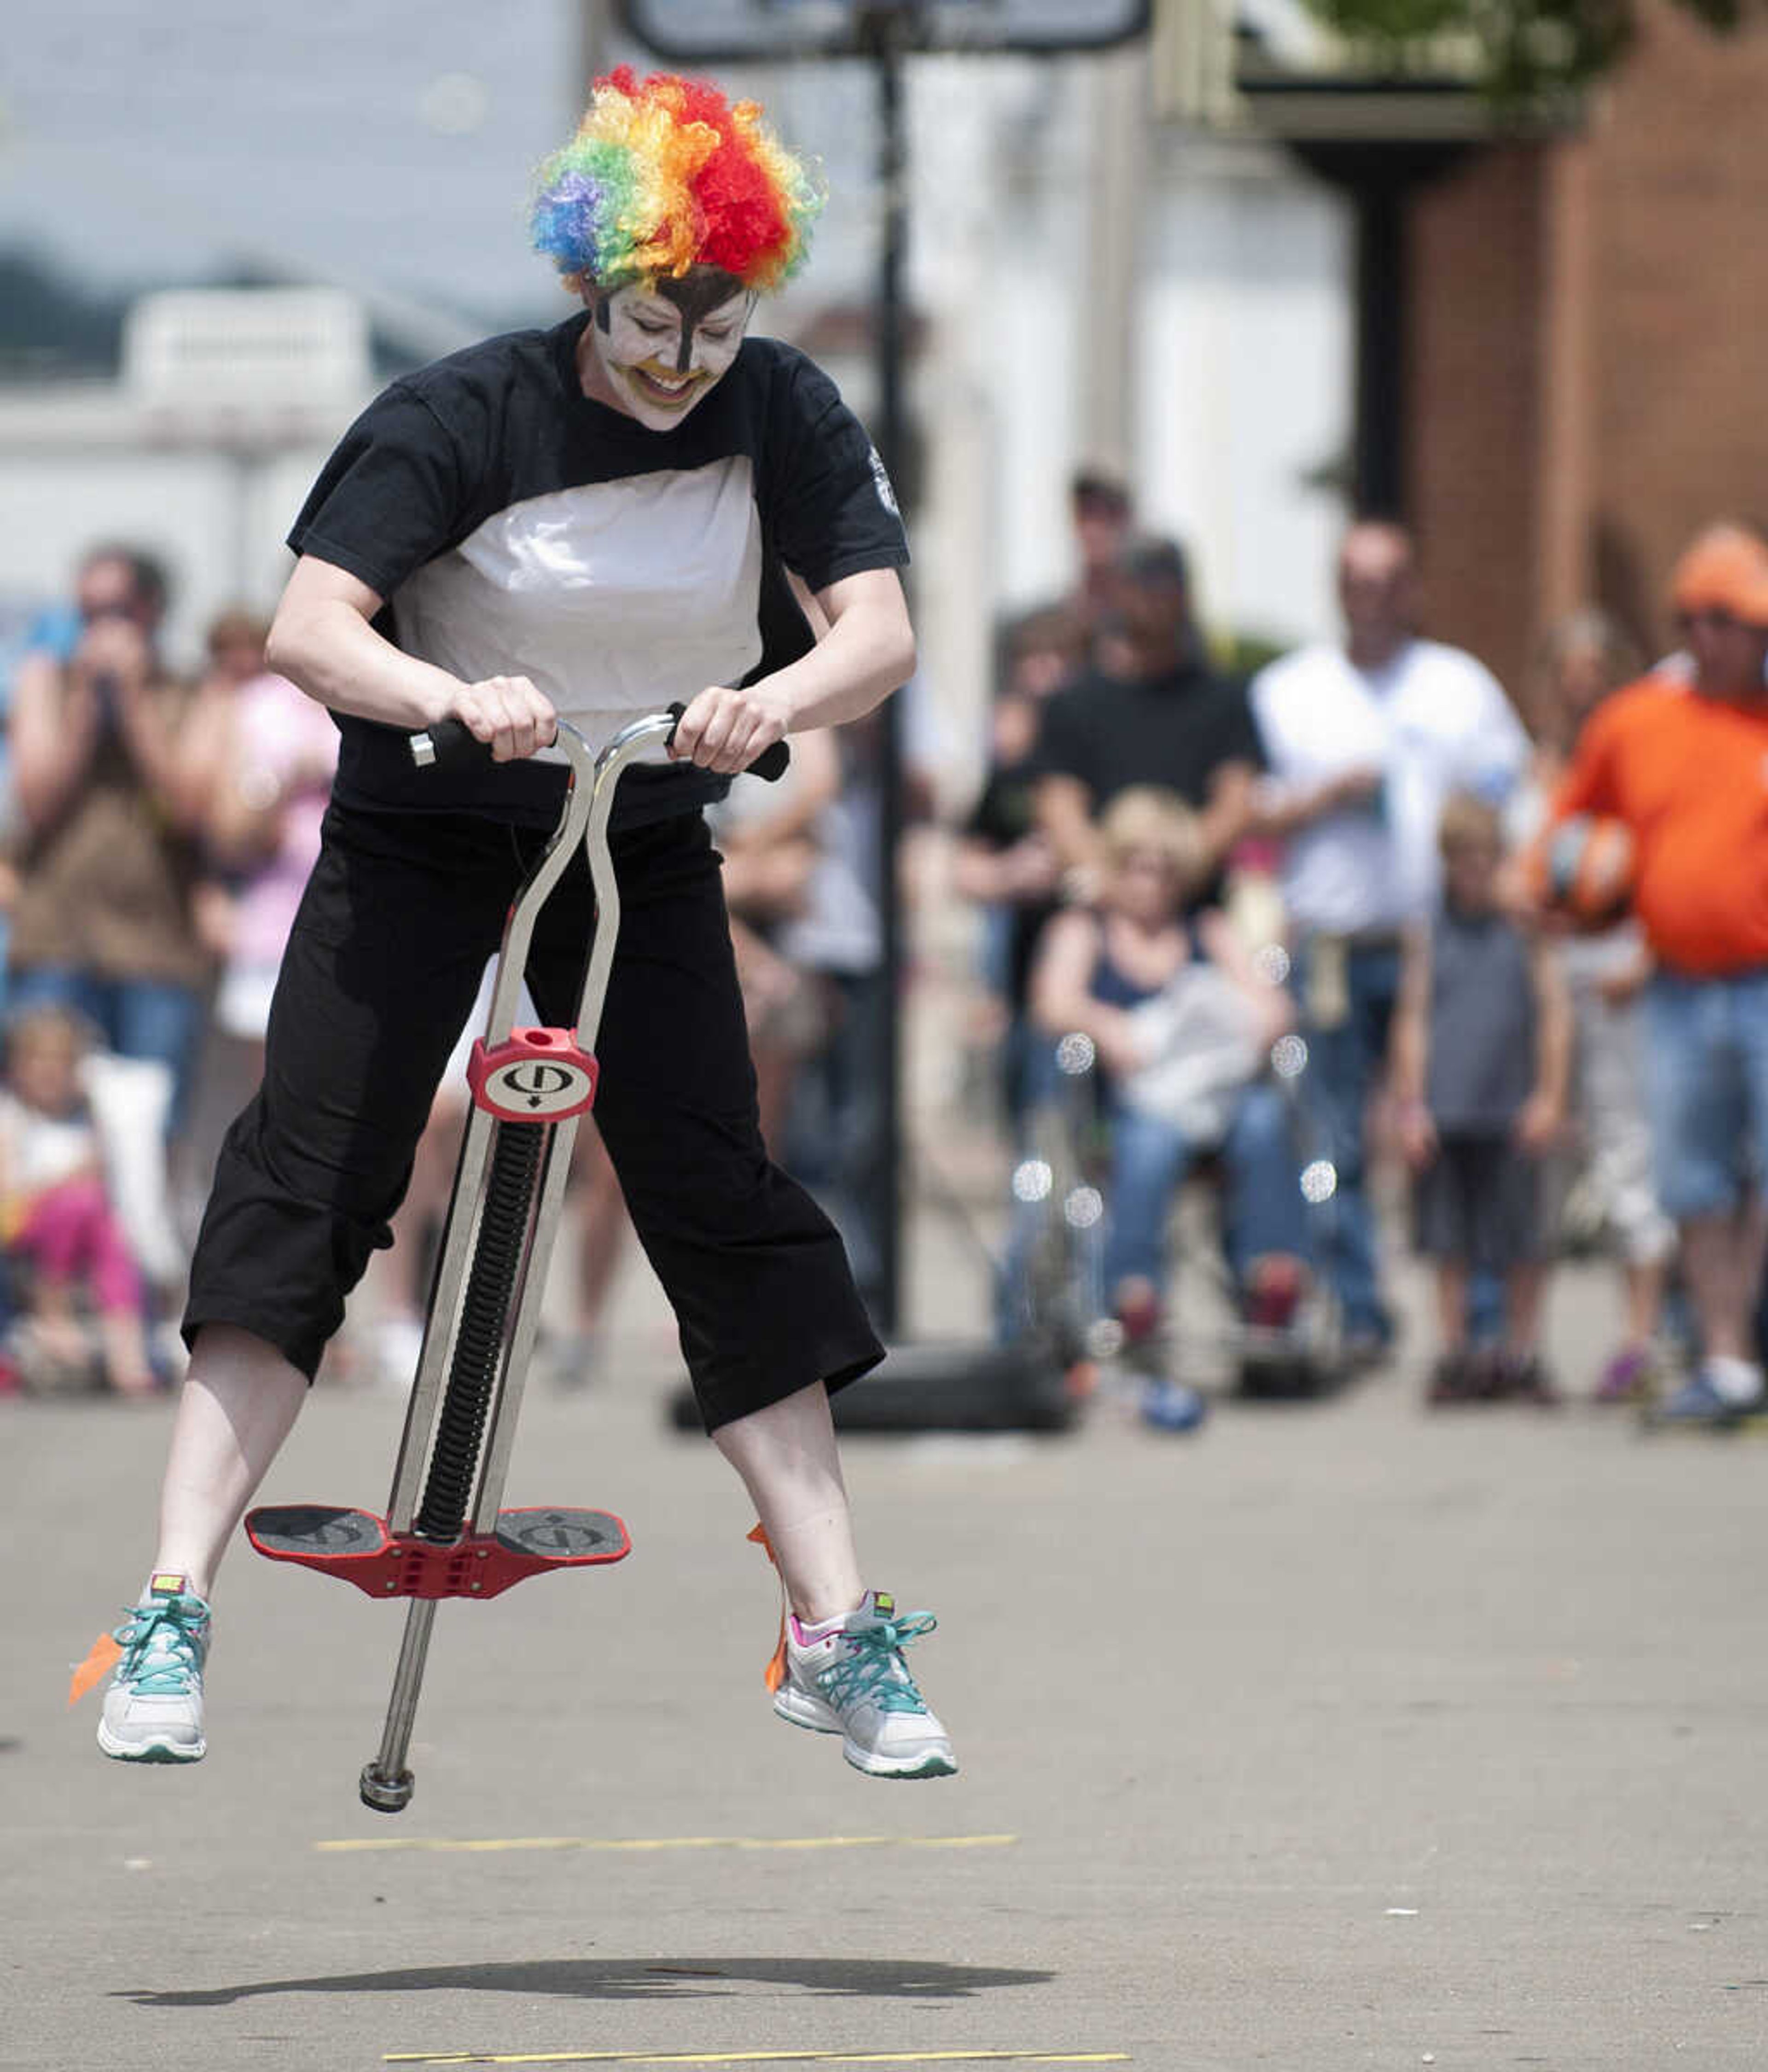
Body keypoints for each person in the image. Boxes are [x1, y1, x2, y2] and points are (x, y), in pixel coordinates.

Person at [83, 69, 955, 1781]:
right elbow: (309, 626)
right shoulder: (460, 416)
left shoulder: (783, 413)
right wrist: (445, 690)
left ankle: (836, 1627)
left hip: (632, 836)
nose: (683, 360)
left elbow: (881, 633)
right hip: (424, 827)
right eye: (653, 321)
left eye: (717, 321)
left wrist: (765, 706)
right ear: (589, 287)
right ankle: (171, 1603)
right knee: (313, 1179)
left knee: (721, 1197)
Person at [1247, 519, 1530, 1364]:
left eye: (1387, 580)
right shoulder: (1288, 690)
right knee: (1335, 1135)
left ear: (1414, 588)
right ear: (1336, 589)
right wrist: (1318, 797)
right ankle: (1363, 1307)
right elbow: (1247, 817)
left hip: (1438, 943)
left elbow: (1510, 794)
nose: (1370, 597)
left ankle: (1477, 1323)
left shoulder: (1459, 686)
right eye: (1354, 580)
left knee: (1460, 1128)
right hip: (1331, 942)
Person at [1534, 524, 1768, 1423]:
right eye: (1699, 619)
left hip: (1760, 980)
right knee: (1695, 1179)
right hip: (1674, 985)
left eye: (1734, 620)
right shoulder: (1638, 720)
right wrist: (1549, 891)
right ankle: (1726, 1356)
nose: (1714, 637)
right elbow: (1564, 828)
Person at [1028, 787, 1304, 1430]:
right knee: (1150, 1143)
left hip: (1212, 1101)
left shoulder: (1205, 931)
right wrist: (1109, 1027)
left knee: (1264, 1123)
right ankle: (1134, 1291)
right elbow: (1052, 1003)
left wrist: (1244, 1022)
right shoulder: (1085, 931)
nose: (1150, 882)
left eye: (1164, 868)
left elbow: (1273, 1007)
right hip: (1127, 1108)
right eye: (1136, 865)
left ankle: (1273, 1278)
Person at [5, 546, 221, 1141]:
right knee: (45, 1132)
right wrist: (82, 709)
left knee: (149, 1135)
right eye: (87, 611)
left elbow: (190, 808)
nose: (98, 626)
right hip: (58, 940)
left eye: (115, 610)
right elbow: (37, 801)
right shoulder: (47, 682)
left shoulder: (192, 691)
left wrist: (132, 705)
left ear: (151, 611)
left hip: (156, 949)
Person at [1512, 611, 1673, 1403]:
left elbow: (1671, 878)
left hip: (1615, 981)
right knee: (1535, 1164)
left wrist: (1644, 957)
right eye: (1569, 681)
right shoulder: (1529, 774)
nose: (1583, 695)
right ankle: (1518, 1346)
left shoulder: (1646, 768)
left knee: (1626, 1156)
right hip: (1538, 986)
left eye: (1597, 679)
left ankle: (1641, 1341)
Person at [1392, 795, 1570, 1405]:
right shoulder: (1429, 929)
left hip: (1511, 1102)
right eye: (1461, 859)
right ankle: (1456, 1352)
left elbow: (1553, 1014)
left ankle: (1523, 1353)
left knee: (1524, 1240)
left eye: (1484, 859)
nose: (1473, 871)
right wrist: (1410, 1104)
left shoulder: (1526, 929)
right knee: (1448, 1242)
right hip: (1448, 1106)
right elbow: (1412, 1018)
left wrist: (1550, 1095)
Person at [0, 1002, 156, 1397]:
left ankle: (127, 1343)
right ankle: (53, 1313)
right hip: (22, 1231)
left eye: (59, 1062)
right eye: (38, 1061)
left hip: (83, 1235)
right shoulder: (12, 1118)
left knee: (108, 1231)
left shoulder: (87, 1116)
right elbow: (10, 1198)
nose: (49, 1072)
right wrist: (63, 1184)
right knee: (80, 1203)